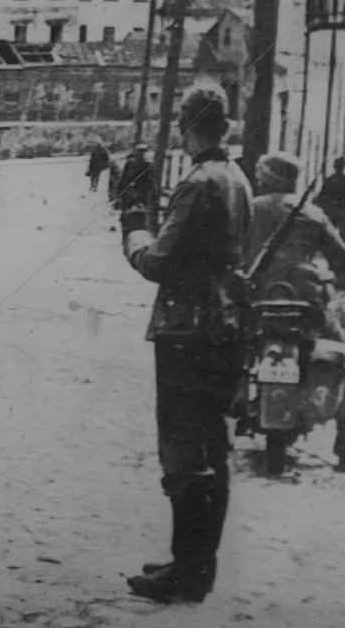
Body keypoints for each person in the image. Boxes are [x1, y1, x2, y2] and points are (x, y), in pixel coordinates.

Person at [120, 82, 252, 603]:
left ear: (185, 126)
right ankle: (195, 563)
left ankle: (187, 573)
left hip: (186, 330)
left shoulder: (198, 182)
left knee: (183, 449)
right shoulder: (236, 176)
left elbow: (161, 263)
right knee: (211, 447)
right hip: (222, 325)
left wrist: (134, 233)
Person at [242, 151, 345, 467]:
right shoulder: (313, 214)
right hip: (305, 301)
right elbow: (340, 257)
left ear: (265, 178)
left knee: (228, 346)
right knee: (340, 351)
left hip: (257, 297)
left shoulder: (249, 210)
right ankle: (342, 446)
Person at [117, 144, 154, 210]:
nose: (140, 154)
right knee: (126, 211)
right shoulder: (130, 163)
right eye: (139, 152)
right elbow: (124, 177)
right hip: (130, 191)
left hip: (141, 192)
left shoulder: (147, 165)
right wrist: (119, 190)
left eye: (142, 152)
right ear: (136, 152)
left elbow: (150, 179)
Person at [316, 156, 345, 234]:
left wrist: (339, 202)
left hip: (340, 213)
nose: (339, 168)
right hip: (328, 211)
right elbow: (321, 194)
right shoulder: (328, 180)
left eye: (341, 166)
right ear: (334, 167)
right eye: (337, 166)